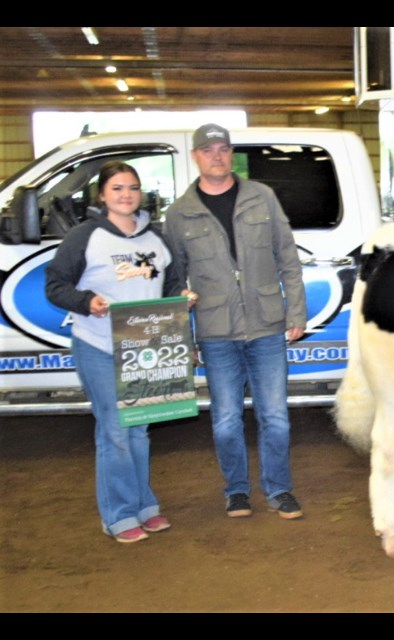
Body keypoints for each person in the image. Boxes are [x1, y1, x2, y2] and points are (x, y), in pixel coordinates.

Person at [163, 124, 307, 520]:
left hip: (266, 325)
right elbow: (174, 280)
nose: (216, 156)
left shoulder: (262, 198)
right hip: (215, 331)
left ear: (231, 154)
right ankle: (237, 491)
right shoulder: (179, 213)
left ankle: (279, 490)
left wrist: (295, 312)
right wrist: (181, 336)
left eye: (223, 148)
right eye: (208, 149)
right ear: (195, 156)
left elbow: (288, 259)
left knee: (275, 417)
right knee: (226, 421)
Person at [45, 161, 194, 543]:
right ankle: (118, 515)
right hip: (99, 346)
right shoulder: (85, 237)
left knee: (139, 431)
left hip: (146, 350)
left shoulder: (155, 239)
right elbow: (55, 285)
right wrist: (86, 300)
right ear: (102, 195)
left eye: (132, 187)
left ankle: (145, 507)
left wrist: (182, 298)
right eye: (117, 188)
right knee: (114, 432)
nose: (126, 194)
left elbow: (172, 284)